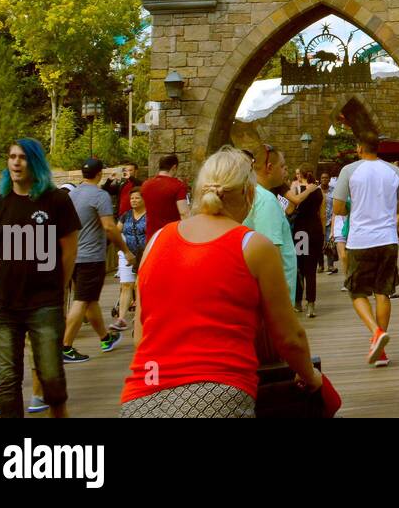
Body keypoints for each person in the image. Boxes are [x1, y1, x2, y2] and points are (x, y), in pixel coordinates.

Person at [121, 146, 322, 418]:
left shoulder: (157, 240)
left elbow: (140, 333)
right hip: (217, 391)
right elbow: (289, 337)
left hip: (144, 392)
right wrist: (310, 376)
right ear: (250, 195)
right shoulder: (253, 246)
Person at [0, 139, 79, 418]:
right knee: (8, 381)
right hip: (4, 305)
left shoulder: (56, 200)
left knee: (51, 378)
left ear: (35, 162)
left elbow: (69, 251)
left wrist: (58, 290)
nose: (16, 162)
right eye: (11, 157)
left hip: (44, 302)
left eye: (22, 157)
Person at [333, 136, 399, 367]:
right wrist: (385, 209)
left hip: (360, 241)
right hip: (387, 239)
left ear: (359, 148)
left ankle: (376, 332)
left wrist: (354, 206)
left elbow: (337, 208)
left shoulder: (349, 170)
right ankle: (381, 351)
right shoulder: (393, 171)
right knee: (383, 292)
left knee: (356, 292)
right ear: (379, 149)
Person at [61, 158, 134, 362]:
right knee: (82, 300)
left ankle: (105, 338)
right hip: (91, 257)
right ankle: (65, 347)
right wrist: (126, 251)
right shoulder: (100, 195)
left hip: (74, 255)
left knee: (90, 299)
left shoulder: (72, 194)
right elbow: (110, 227)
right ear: (100, 173)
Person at [246, 144, 298, 303]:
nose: (285, 171)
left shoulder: (252, 193)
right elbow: (270, 251)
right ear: (269, 167)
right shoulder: (266, 200)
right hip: (276, 298)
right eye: (282, 166)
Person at [286, 168, 323, 318]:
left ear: (299, 175)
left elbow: (289, 211)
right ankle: (311, 304)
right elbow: (322, 215)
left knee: (299, 268)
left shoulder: (296, 190)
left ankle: (297, 302)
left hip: (301, 232)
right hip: (315, 230)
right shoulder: (319, 192)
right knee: (311, 270)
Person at [112, 189, 147, 331]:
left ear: (144, 200)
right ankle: (121, 318)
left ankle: (138, 316)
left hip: (145, 254)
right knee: (126, 284)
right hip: (127, 253)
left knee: (140, 286)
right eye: (132, 198)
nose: (133, 200)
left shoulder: (150, 215)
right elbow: (116, 231)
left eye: (137, 198)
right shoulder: (125, 216)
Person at [140, 154, 190, 240]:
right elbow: (184, 213)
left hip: (152, 236)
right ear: (174, 167)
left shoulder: (145, 185)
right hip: (171, 235)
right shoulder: (178, 186)